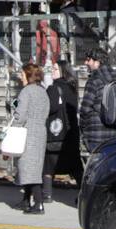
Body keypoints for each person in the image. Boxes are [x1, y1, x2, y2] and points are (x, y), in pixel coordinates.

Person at [11, 62, 50, 214]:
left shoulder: (26, 92)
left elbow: (20, 116)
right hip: (40, 132)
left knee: (29, 169)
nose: (21, 77)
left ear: (28, 75)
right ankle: (26, 200)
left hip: (28, 133)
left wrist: (14, 113)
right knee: (31, 168)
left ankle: (38, 203)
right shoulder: (43, 91)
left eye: (22, 74)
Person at [44, 60, 78, 203]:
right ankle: (84, 192)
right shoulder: (72, 87)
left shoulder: (53, 88)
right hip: (71, 132)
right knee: (75, 166)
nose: (52, 71)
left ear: (63, 71)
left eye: (55, 69)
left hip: (55, 132)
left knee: (48, 166)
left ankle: (46, 195)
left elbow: (49, 109)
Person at [78, 48, 116, 152]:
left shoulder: (94, 80)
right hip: (113, 132)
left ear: (97, 62)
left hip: (95, 133)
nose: (86, 62)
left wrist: (82, 127)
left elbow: (85, 108)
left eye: (88, 59)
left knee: (96, 165)